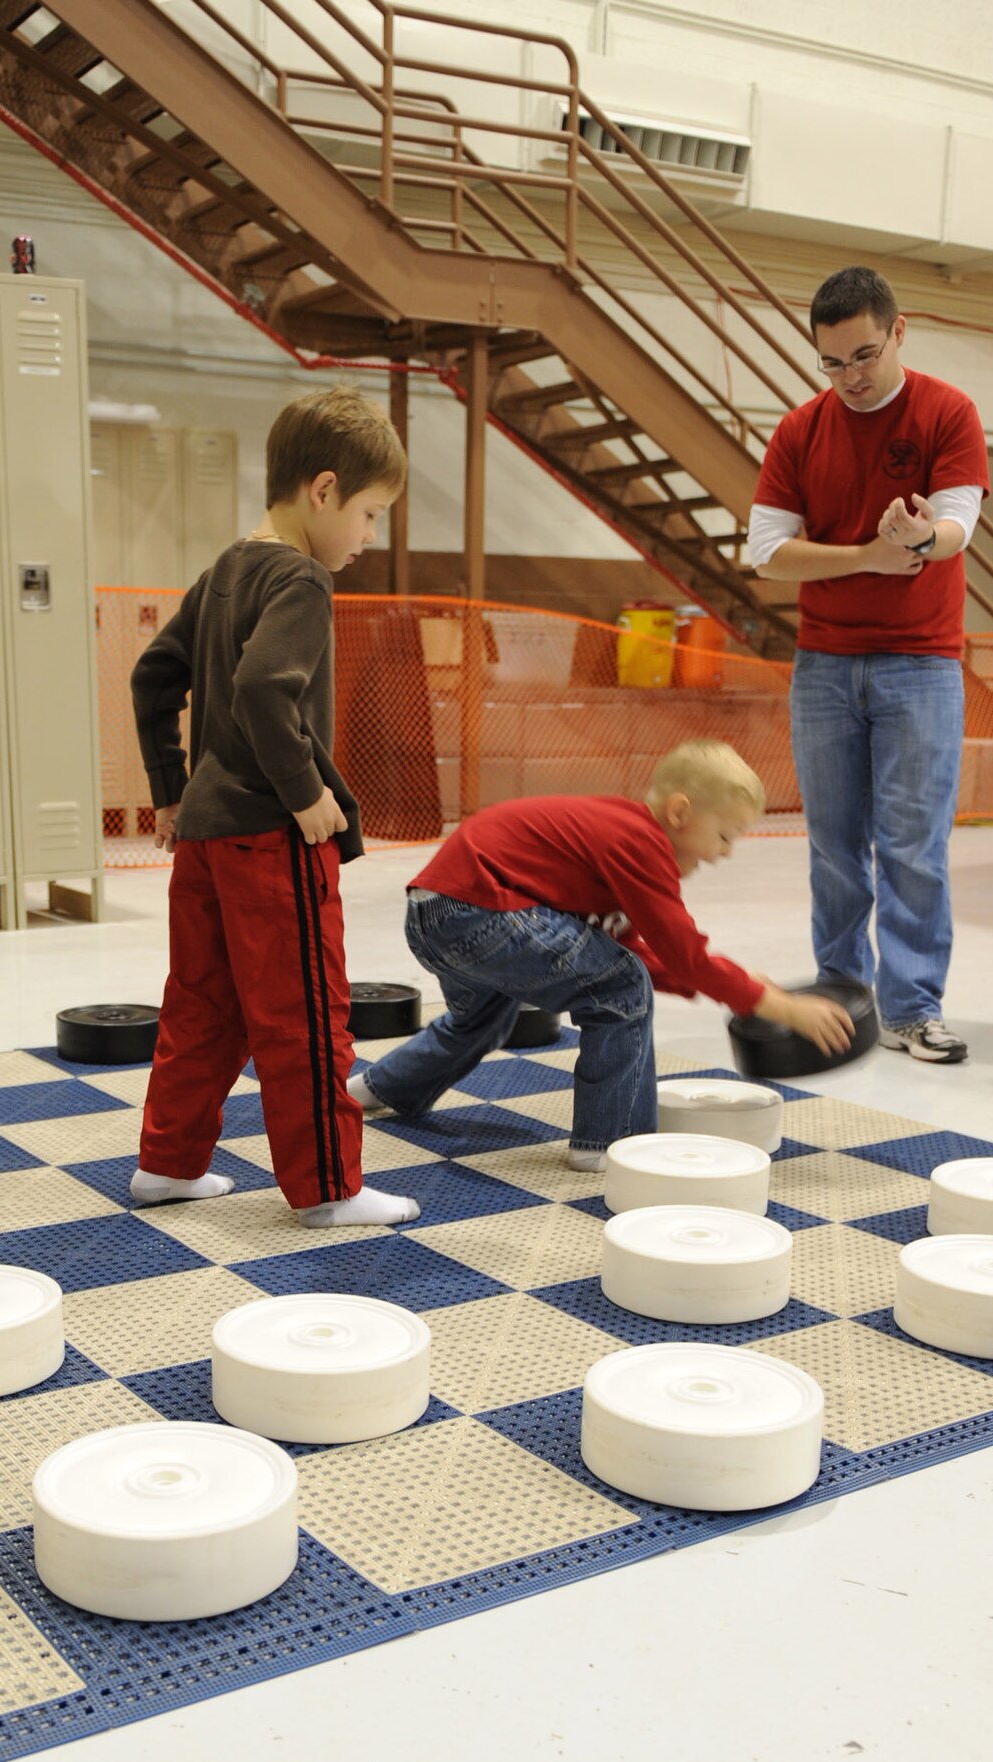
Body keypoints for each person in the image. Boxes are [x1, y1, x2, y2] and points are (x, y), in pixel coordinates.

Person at [128, 385, 419, 1227]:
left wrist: (170, 790)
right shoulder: (299, 578)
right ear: (322, 491)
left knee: (202, 1005)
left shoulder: (224, 569)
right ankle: (329, 1188)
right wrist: (307, 794)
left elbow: (154, 674)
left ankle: (168, 1164)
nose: (368, 538)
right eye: (368, 514)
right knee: (303, 1015)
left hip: (210, 835)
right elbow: (263, 688)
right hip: (269, 835)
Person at [348, 742, 853, 1168]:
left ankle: (377, 1089)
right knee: (621, 988)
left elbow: (624, 950)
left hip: (437, 913)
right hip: (483, 912)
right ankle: (611, 1144)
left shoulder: (620, 842)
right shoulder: (640, 841)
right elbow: (683, 956)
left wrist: (739, 984)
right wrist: (774, 1003)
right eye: (723, 836)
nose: (724, 853)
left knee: (486, 1015)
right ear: (679, 813)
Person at [749, 265, 990, 1063]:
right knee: (833, 845)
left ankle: (913, 1007)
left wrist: (920, 541)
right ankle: (843, 1000)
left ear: (897, 333)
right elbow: (766, 555)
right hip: (822, 667)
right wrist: (866, 555)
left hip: (921, 666)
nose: (848, 377)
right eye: (830, 362)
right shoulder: (799, 430)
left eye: (862, 355)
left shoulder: (946, 411)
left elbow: (958, 523)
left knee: (912, 844)